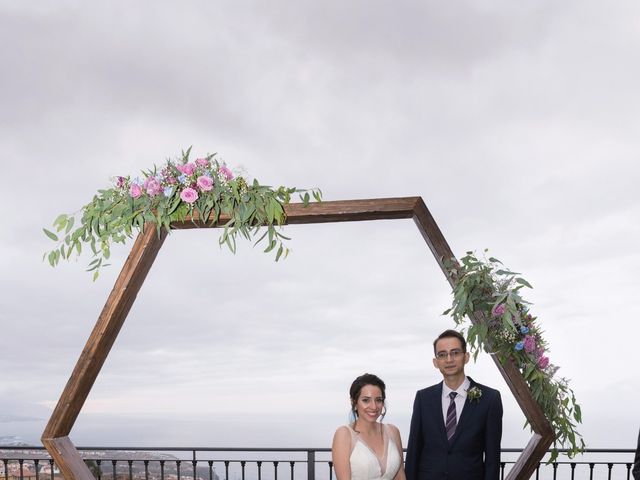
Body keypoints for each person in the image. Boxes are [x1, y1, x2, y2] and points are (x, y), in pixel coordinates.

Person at [405, 329, 503, 480]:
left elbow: (492, 459)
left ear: (466, 357)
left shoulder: (490, 399)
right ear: (435, 362)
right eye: (442, 355)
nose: (449, 359)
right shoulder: (423, 398)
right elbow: (413, 451)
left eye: (455, 353)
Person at [332, 373, 406, 480]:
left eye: (378, 400)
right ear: (354, 402)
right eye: (366, 400)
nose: (373, 406)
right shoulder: (344, 434)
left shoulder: (393, 431)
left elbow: (400, 476)